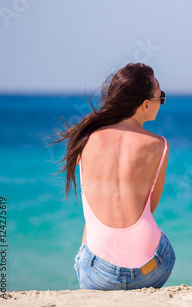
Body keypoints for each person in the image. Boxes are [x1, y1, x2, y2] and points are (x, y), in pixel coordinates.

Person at [55, 63, 175, 290]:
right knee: (162, 241)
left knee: (90, 233)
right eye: (162, 97)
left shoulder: (85, 139)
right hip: (150, 270)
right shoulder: (159, 145)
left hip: (98, 276)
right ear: (146, 104)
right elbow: (149, 208)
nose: (162, 102)